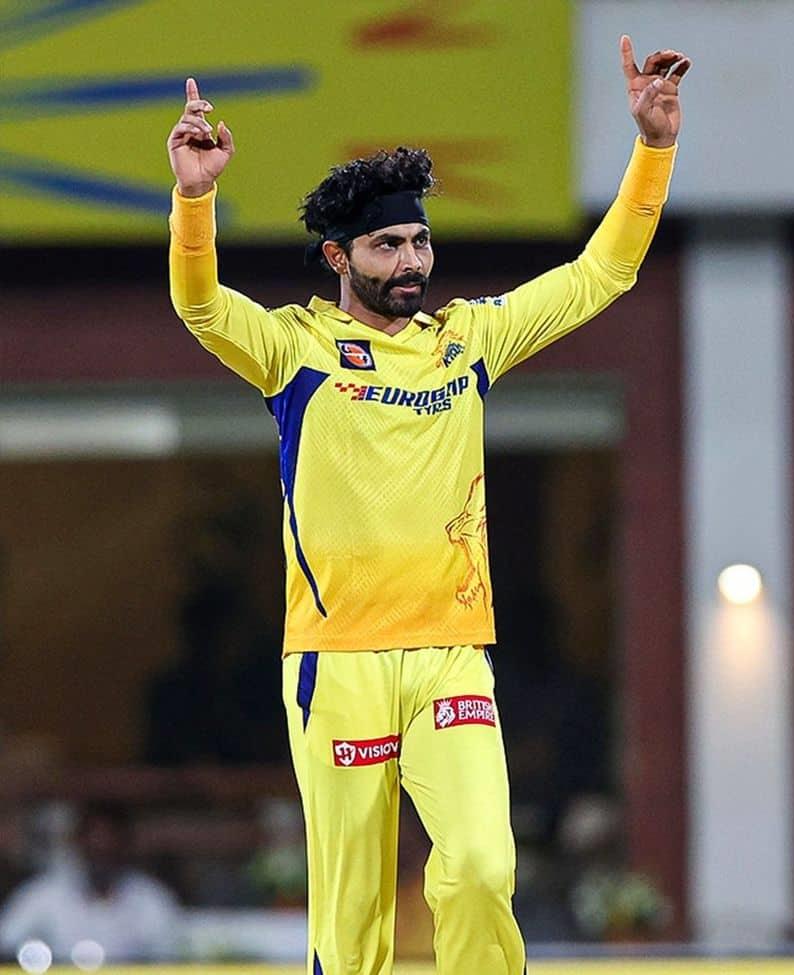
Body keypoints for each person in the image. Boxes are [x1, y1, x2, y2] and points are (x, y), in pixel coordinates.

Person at [166, 34, 690, 975]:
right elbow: (201, 307)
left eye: (419, 240)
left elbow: (601, 274)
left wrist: (654, 148)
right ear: (339, 255)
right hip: (338, 663)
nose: (412, 260)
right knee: (354, 920)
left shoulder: (468, 339)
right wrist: (195, 201)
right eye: (388, 245)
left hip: (452, 655)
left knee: (484, 868)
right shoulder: (294, 350)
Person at [0, 803, 181, 962]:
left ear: (126, 847)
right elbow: (6, 944)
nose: (101, 855)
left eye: (108, 851)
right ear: (78, 844)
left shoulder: (151, 899)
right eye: (94, 850)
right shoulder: (43, 894)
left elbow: (170, 956)